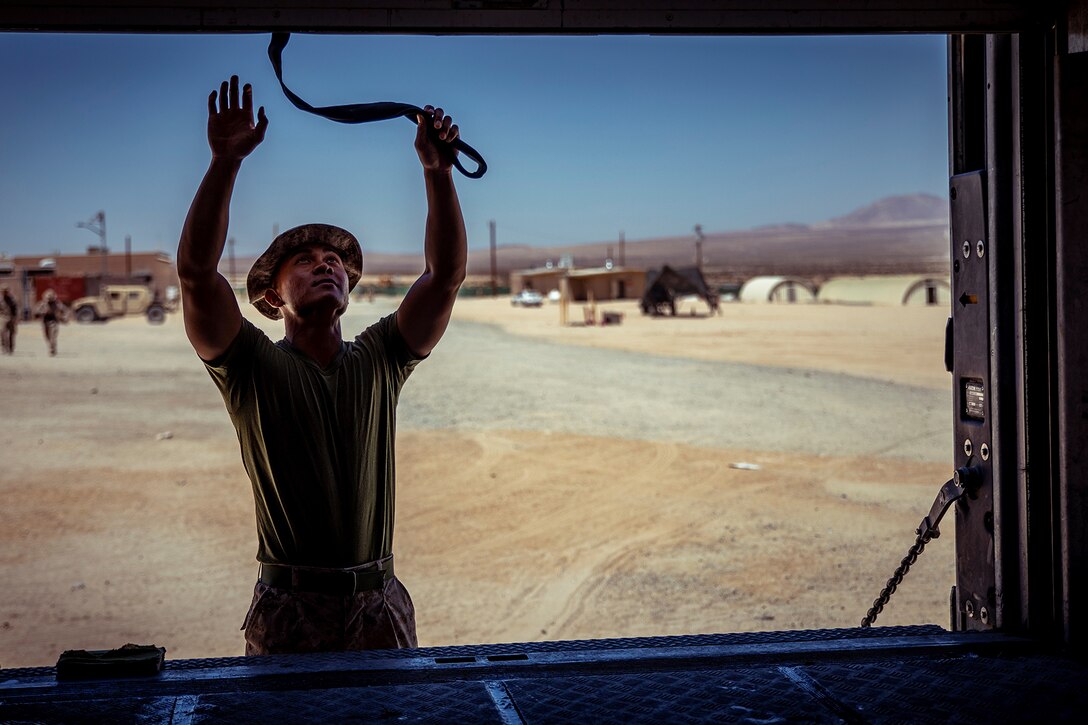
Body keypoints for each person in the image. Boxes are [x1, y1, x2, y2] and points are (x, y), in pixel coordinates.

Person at [177, 76, 467, 656]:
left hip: (379, 606)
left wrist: (438, 173)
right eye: (304, 261)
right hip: (290, 612)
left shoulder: (381, 359)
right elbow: (196, 275)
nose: (325, 265)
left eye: (334, 260)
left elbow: (445, 277)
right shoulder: (250, 368)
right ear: (269, 297)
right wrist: (224, 162)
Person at [34, 289, 70, 356]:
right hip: (45, 322)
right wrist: (43, 312)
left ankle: (52, 350)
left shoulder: (57, 304)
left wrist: (64, 318)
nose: (49, 300)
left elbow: (66, 310)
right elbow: (36, 312)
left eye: (50, 298)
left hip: (54, 322)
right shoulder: (42, 304)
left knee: (53, 337)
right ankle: (51, 347)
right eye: (48, 298)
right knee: (47, 337)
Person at [1, 286, 18, 355]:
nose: (5, 292)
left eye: (6, 291)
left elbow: (15, 310)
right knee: (3, 334)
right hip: (2, 317)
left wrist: (15, 319)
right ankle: (4, 348)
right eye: (3, 291)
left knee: (11, 334)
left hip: (11, 317)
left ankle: (11, 348)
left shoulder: (12, 299)